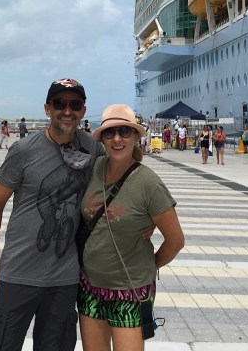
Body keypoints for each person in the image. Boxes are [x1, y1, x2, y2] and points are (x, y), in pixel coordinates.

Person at [0, 78, 101, 351]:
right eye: (59, 103)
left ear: (83, 110)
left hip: (64, 280)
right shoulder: (23, 150)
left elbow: (122, 170)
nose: (67, 111)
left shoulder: (93, 149)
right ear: (48, 108)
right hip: (17, 275)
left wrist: (143, 220)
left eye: (75, 105)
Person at [78, 105, 184, 351]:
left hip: (130, 290)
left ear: (136, 136)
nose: (117, 139)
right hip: (89, 285)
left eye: (124, 131)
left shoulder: (148, 183)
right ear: (102, 138)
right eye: (109, 132)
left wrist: (150, 266)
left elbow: (176, 240)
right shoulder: (94, 168)